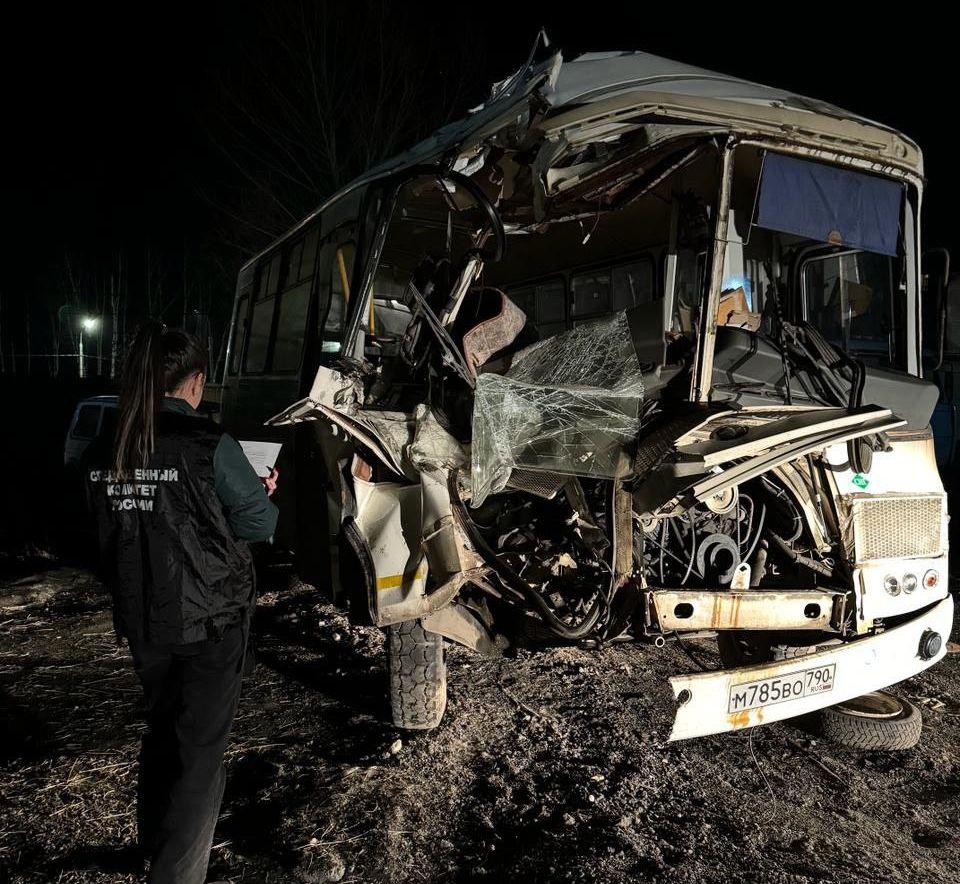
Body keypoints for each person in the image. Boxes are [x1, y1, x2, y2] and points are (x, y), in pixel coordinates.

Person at [84, 321, 279, 883]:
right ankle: (176, 874)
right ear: (194, 382)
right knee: (200, 753)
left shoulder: (104, 448)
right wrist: (258, 491)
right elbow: (259, 524)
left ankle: (154, 839)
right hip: (211, 619)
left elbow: (102, 533)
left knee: (164, 726)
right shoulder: (208, 444)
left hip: (144, 619)